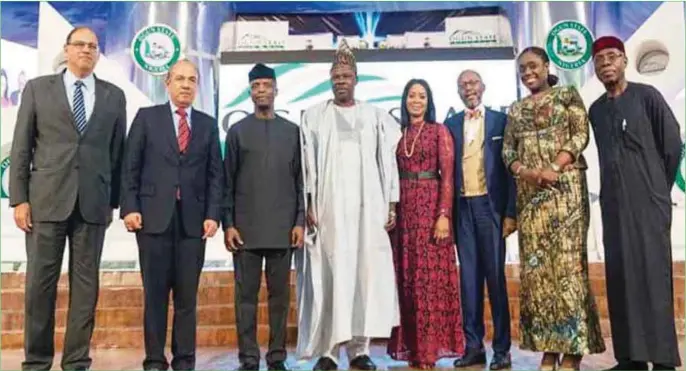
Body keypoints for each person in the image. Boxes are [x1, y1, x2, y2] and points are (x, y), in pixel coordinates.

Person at [9, 26, 127, 370]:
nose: (86, 51)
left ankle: (77, 361)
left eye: (93, 46)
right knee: (39, 287)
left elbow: (116, 152)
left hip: (93, 204)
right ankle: (37, 361)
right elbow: (21, 147)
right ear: (67, 49)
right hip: (45, 202)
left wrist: (113, 201)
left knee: (86, 289)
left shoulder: (113, 96)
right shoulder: (37, 89)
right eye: (80, 45)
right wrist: (20, 199)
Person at [294, 39, 402, 371]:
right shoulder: (313, 117)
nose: (341, 81)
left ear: (356, 79)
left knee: (364, 278)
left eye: (346, 75)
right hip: (329, 212)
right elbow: (306, 165)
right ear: (330, 80)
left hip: (367, 212)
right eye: (336, 76)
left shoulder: (376, 117)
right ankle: (327, 352)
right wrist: (308, 202)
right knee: (330, 276)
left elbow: (388, 163)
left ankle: (359, 350)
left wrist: (391, 204)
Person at [501, 46, 605, 371]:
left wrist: (555, 167)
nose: (528, 73)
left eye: (533, 66)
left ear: (546, 65)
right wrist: (526, 172)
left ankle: (572, 349)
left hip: (566, 193)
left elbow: (579, 136)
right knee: (538, 275)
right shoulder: (516, 109)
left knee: (569, 270)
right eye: (522, 69)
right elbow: (507, 151)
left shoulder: (567, 95)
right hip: (531, 200)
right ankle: (548, 350)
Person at [120, 59, 223, 371]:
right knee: (155, 296)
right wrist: (130, 207)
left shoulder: (207, 124)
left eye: (192, 80)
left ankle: (184, 360)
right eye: (180, 79)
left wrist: (213, 215)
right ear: (167, 83)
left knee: (187, 298)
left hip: (193, 223)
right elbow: (129, 167)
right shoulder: (147, 118)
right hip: (152, 220)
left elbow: (215, 175)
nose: (186, 85)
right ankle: (154, 359)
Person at [588, 36, 682, 371]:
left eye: (612, 57)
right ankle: (630, 358)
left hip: (649, 205)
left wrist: (656, 191)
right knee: (620, 279)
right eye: (599, 60)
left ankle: (663, 361)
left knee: (652, 280)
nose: (605, 64)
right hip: (613, 206)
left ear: (625, 61)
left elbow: (672, 146)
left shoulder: (647, 97)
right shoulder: (596, 110)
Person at [223, 63, 305, 371]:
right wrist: (228, 224)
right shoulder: (237, 132)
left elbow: (301, 182)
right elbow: (226, 182)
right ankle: (248, 358)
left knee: (279, 301)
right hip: (245, 231)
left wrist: (299, 221)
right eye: (255, 86)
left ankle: (277, 357)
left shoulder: (293, 132)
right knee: (245, 299)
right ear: (249, 92)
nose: (261, 91)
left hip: (283, 230)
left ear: (275, 90)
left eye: (266, 85)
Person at [385, 79, 463, 369]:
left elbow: (448, 176)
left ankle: (429, 351)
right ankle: (412, 348)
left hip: (431, 210)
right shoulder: (397, 133)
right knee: (406, 282)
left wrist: (443, 214)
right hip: (404, 215)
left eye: (422, 96)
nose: (416, 101)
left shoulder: (438, 131)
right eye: (411, 96)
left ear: (429, 102)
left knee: (429, 283)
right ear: (404, 100)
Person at [444, 69, 515, 371]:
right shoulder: (450, 125)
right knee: (468, 282)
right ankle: (473, 347)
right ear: (458, 92)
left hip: (491, 208)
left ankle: (501, 350)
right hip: (462, 209)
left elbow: (511, 169)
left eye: (472, 83)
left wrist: (511, 212)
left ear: (483, 87)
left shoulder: (502, 121)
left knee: (496, 281)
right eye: (462, 86)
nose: (468, 89)